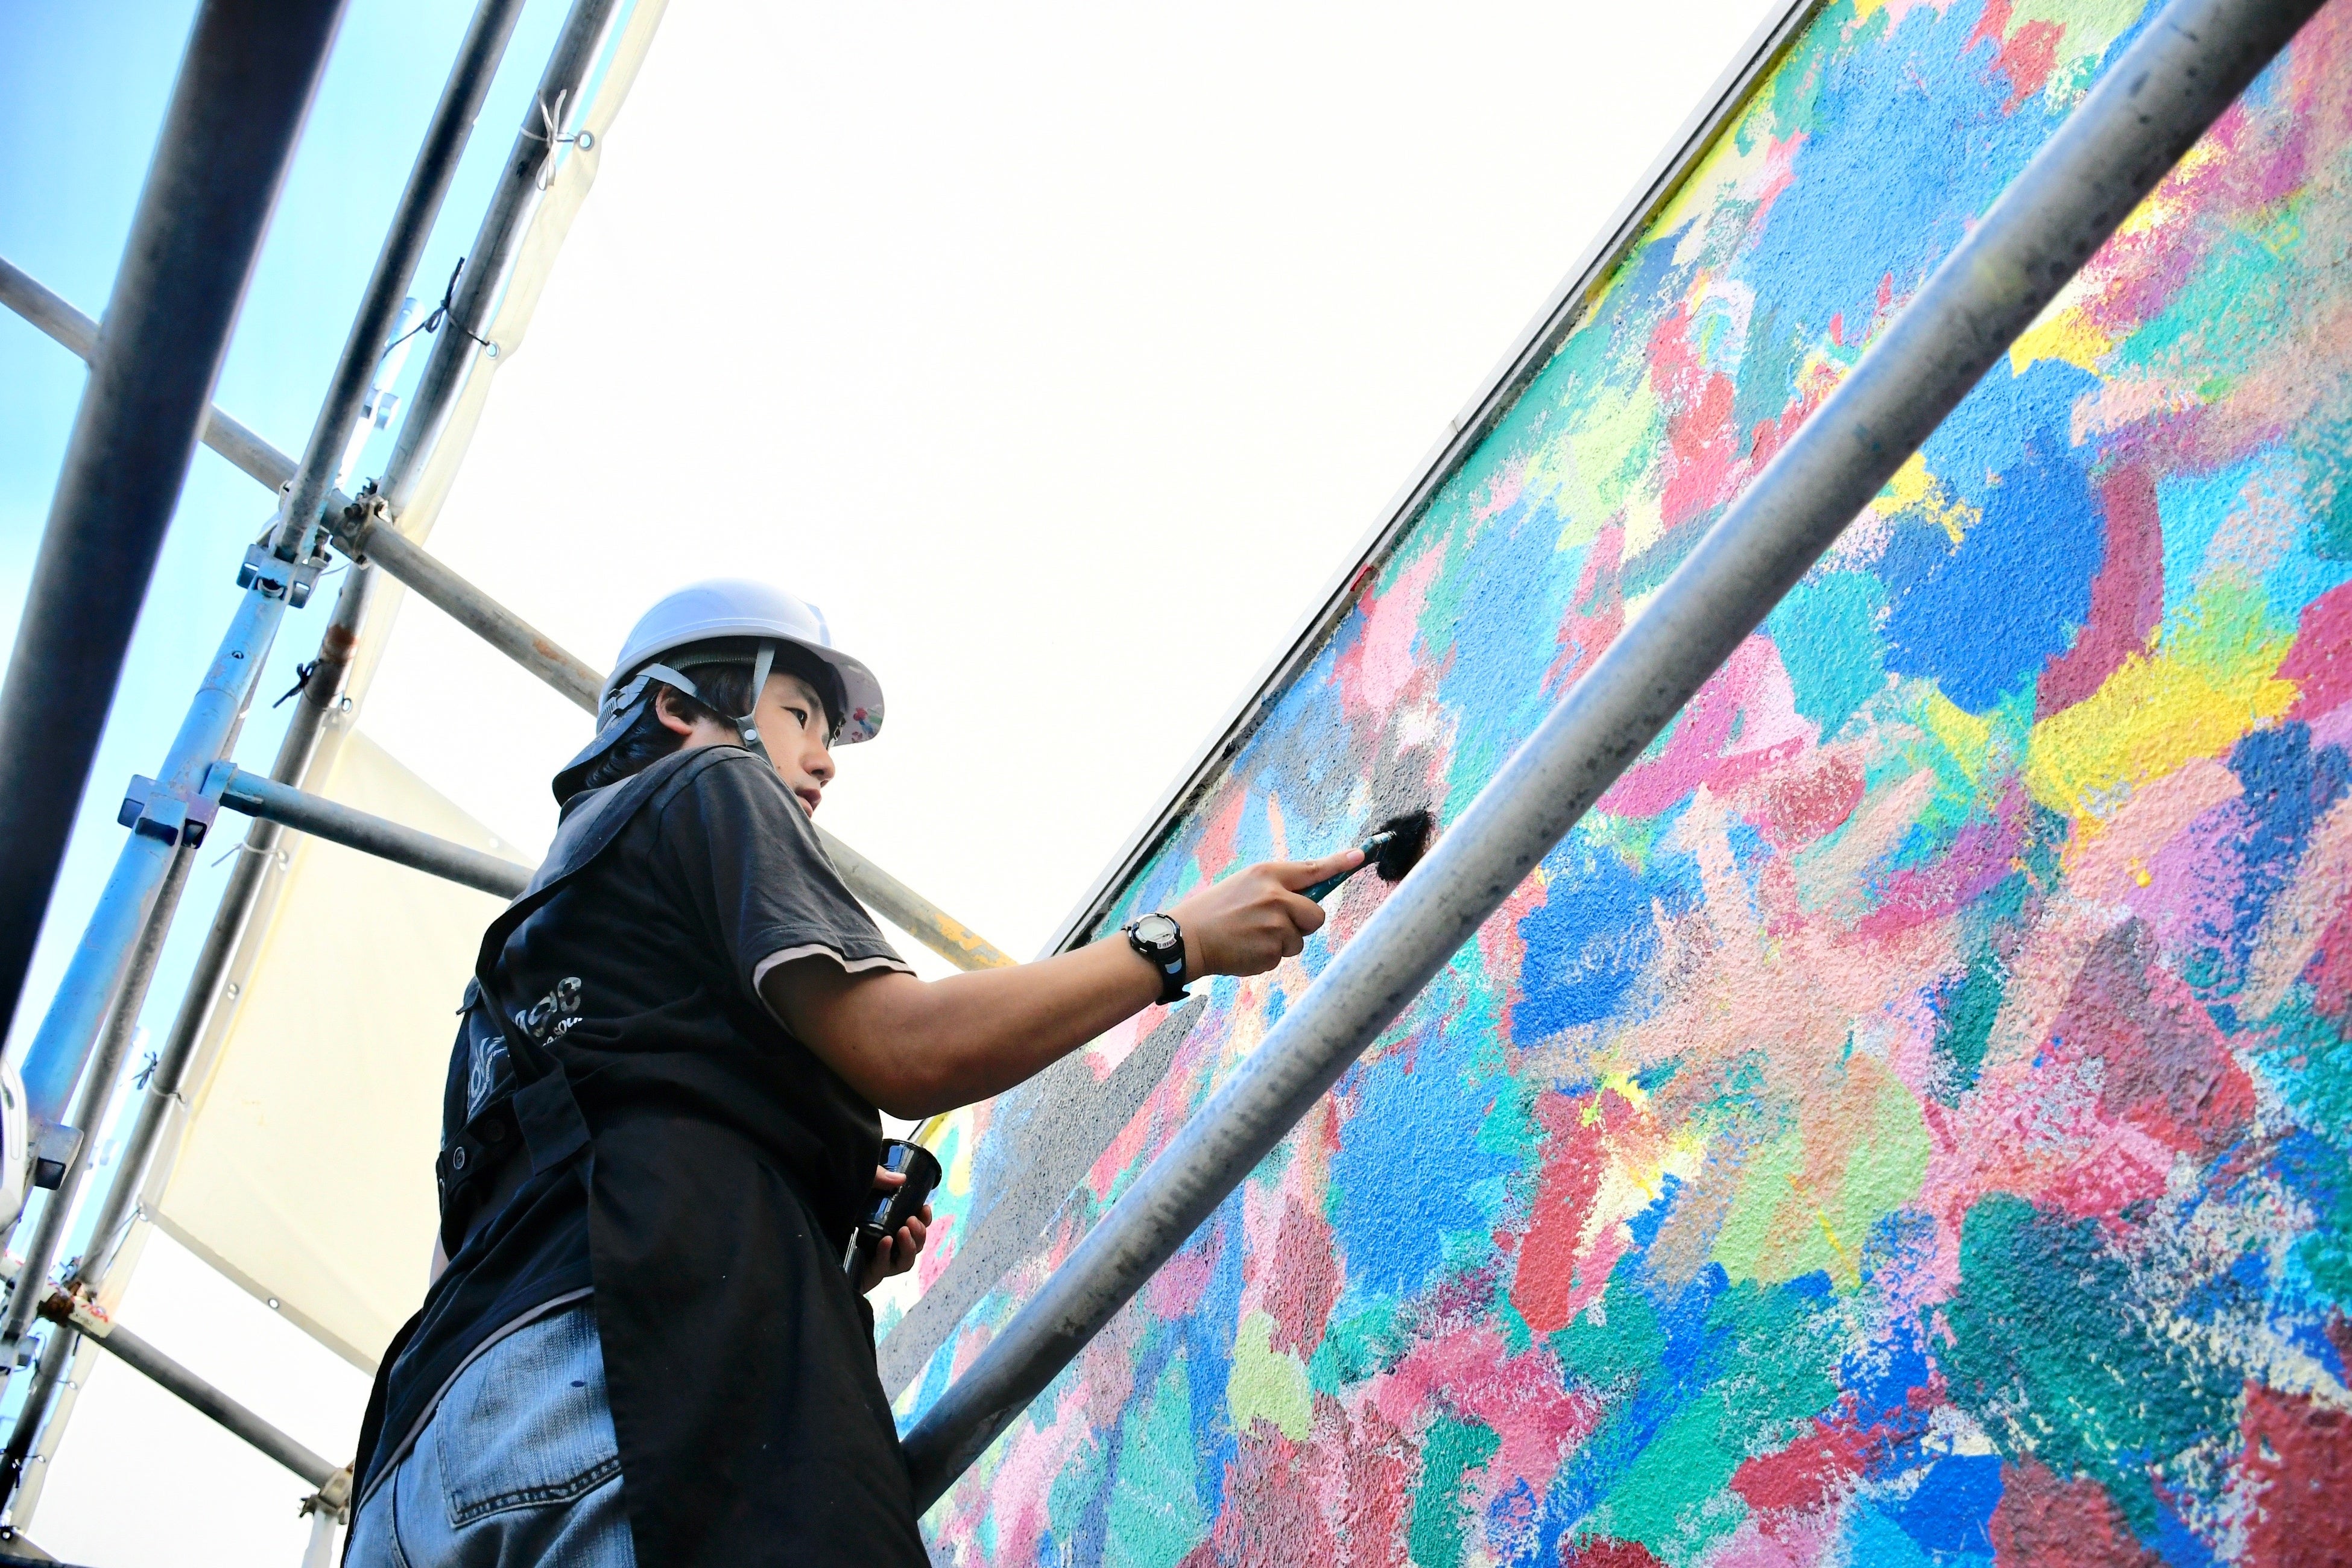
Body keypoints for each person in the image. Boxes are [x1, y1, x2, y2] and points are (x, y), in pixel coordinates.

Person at [343, 580, 1360, 1567]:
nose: (823, 762)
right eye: (799, 716)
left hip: (427, 1456)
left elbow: (483, 1244)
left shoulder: (508, 975)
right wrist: (1176, 941)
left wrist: (808, 1226)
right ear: (680, 706)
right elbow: (906, 1051)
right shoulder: (711, 780)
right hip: (624, 1411)